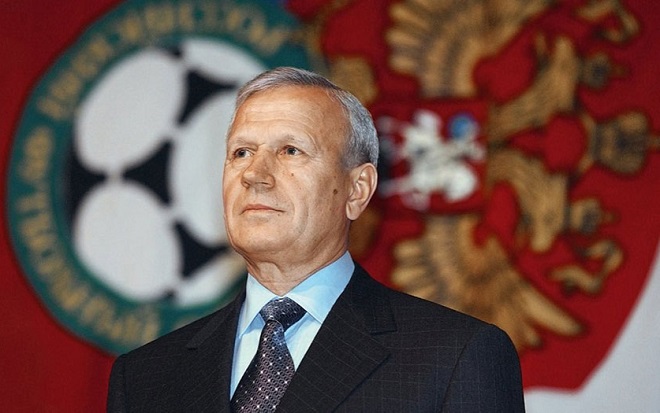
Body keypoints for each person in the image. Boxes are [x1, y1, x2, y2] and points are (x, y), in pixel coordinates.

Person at [107, 67, 525, 412]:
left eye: (290, 150)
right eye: (241, 153)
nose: (254, 175)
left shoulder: (453, 357)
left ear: (357, 190)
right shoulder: (145, 377)